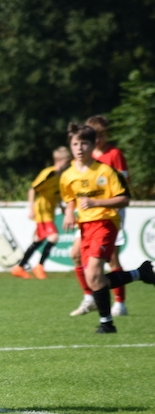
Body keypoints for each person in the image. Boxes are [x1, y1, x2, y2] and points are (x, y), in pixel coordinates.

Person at [59, 122, 153, 334]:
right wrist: (68, 212)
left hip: (105, 223)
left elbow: (124, 199)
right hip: (85, 226)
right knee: (94, 278)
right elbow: (69, 198)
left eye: (84, 143)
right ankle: (138, 277)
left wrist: (96, 202)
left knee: (94, 272)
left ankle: (108, 319)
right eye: (75, 144)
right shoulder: (68, 175)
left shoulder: (106, 171)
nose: (79, 148)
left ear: (93, 145)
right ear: (70, 146)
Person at [68, 116, 131, 315]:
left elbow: (123, 187)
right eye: (94, 136)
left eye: (101, 135)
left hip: (109, 213)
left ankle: (119, 303)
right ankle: (89, 297)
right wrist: (71, 210)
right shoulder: (82, 159)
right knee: (76, 254)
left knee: (111, 259)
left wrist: (108, 206)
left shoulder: (114, 155)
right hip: (87, 215)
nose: (98, 140)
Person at [11, 146, 70, 279]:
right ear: (59, 160)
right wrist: (31, 208)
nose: (68, 165)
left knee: (38, 240)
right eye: (67, 162)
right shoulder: (49, 173)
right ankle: (39, 266)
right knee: (54, 236)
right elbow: (33, 189)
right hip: (42, 211)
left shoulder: (62, 177)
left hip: (50, 211)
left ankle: (20, 267)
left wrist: (61, 207)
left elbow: (56, 194)